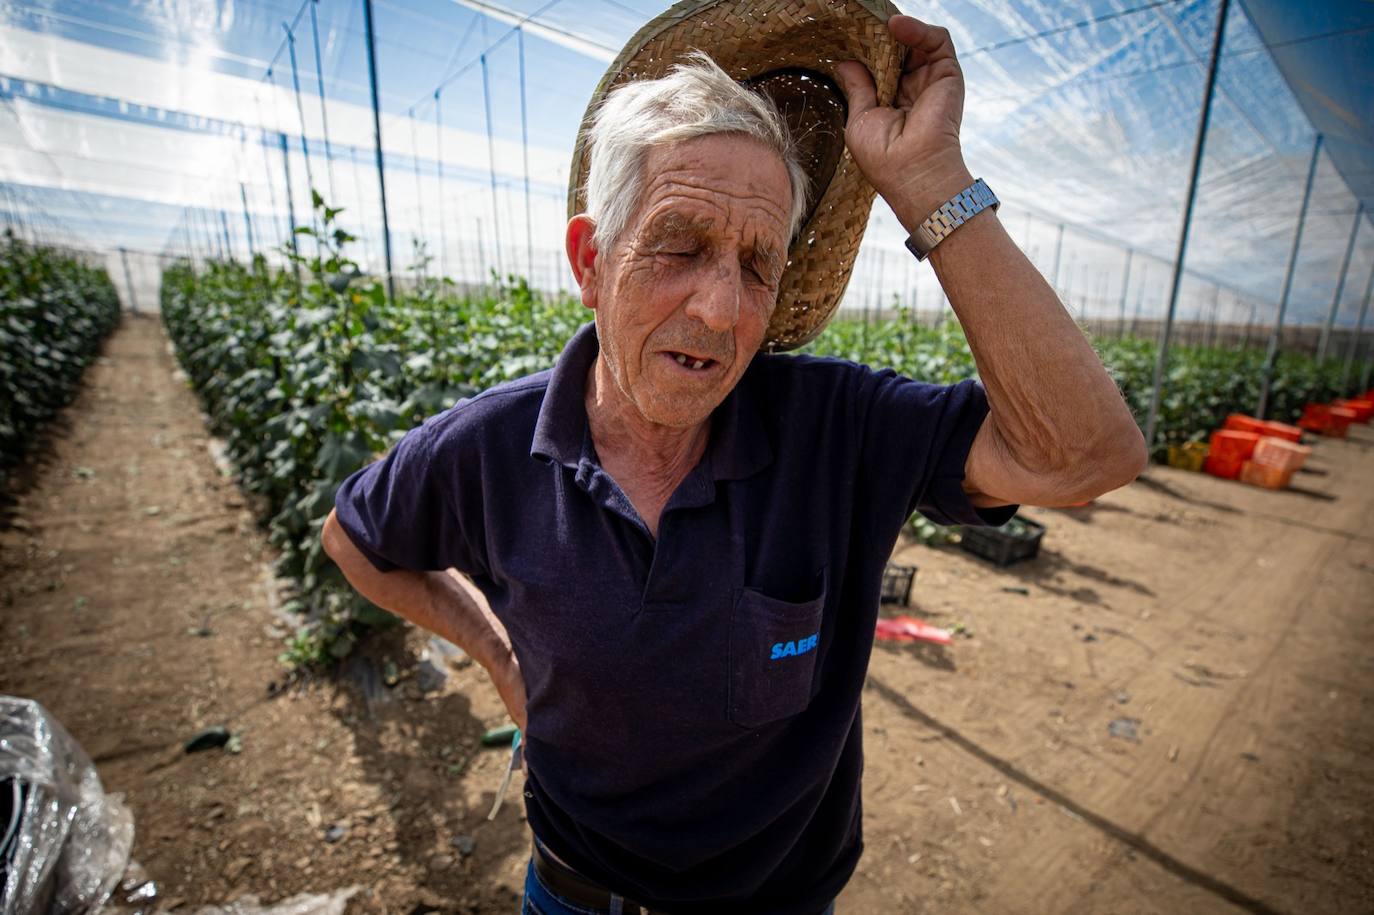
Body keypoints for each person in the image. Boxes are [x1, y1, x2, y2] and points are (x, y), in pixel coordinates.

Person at [323, 13, 1146, 915]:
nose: (719, 309)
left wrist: (930, 182)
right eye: (679, 243)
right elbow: (354, 538)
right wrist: (495, 648)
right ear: (592, 261)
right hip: (573, 896)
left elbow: (1084, 451)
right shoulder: (489, 445)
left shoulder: (840, 431)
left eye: (758, 264)